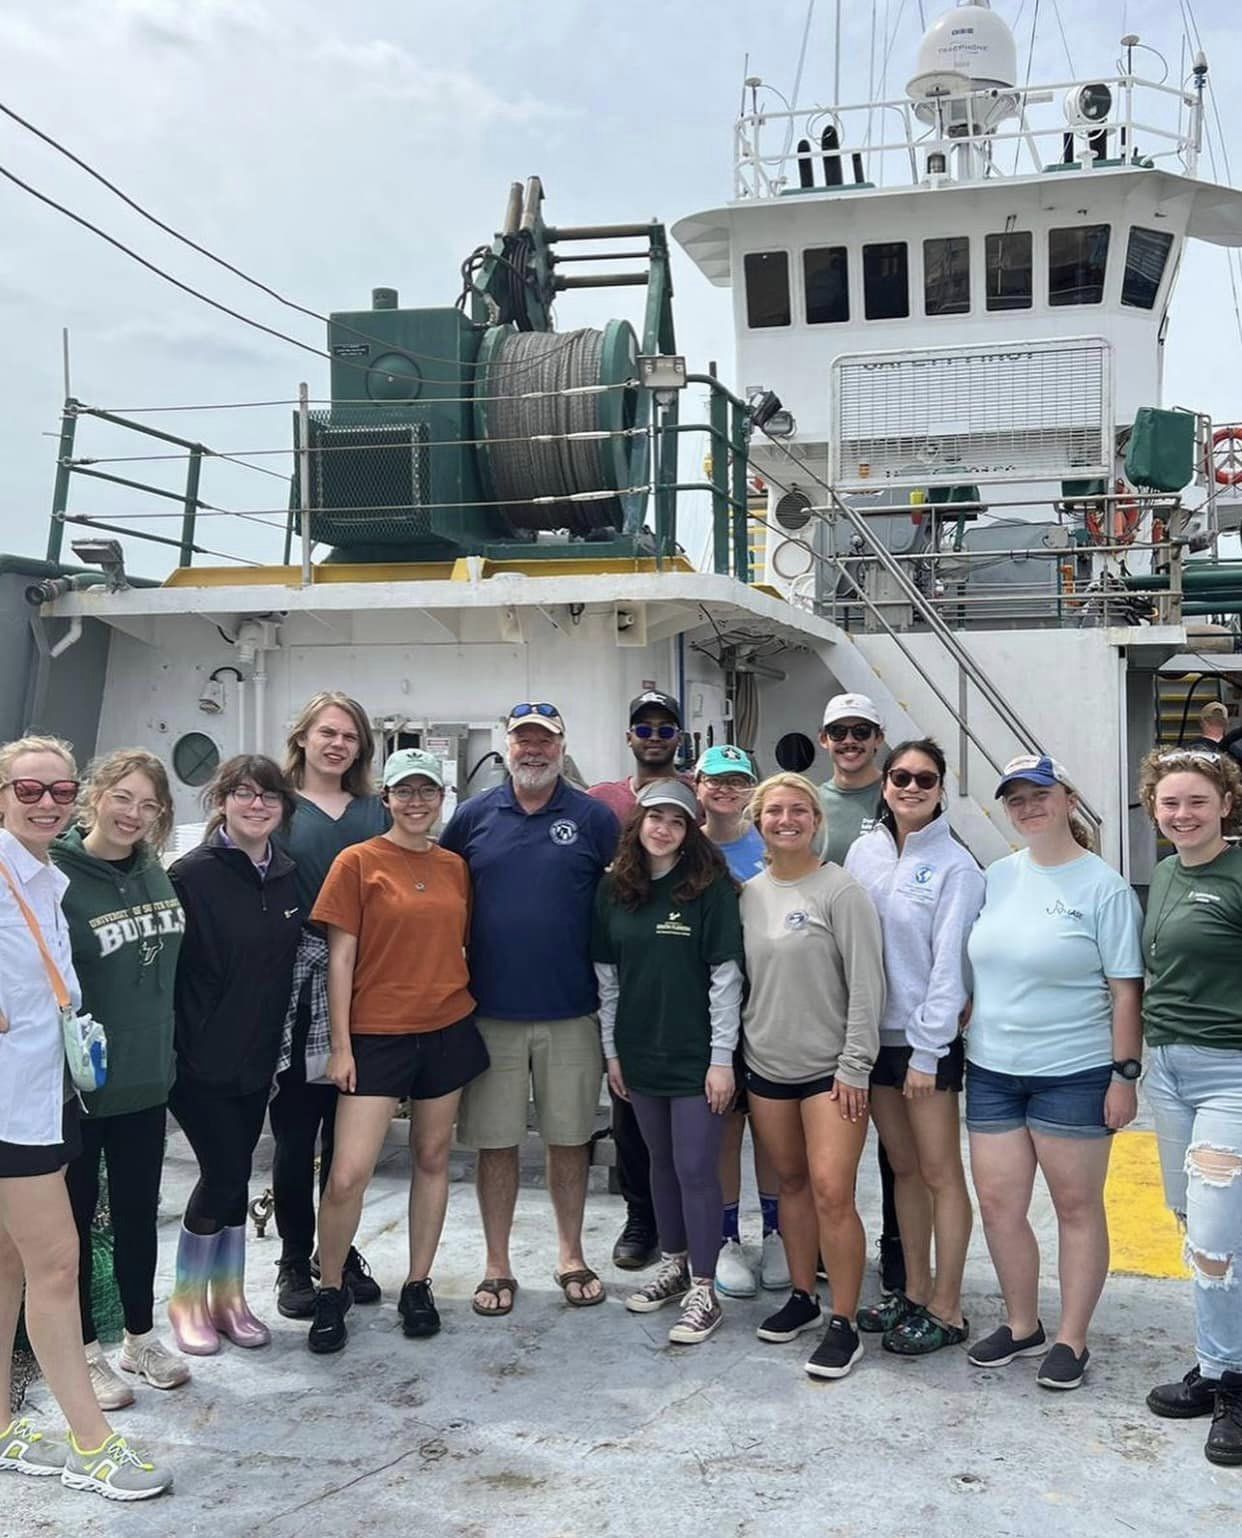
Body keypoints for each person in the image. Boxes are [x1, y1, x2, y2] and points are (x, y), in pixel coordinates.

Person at [0, 736, 170, 1500]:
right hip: (9, 1112)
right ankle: (92, 1442)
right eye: (27, 790)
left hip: (47, 1094)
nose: (46, 803)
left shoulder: (41, 878)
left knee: (9, 1266)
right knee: (57, 1267)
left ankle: (2, 1424)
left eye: (58, 792)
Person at [965, 753, 1143, 1391]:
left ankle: (1071, 1337)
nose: (1028, 807)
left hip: (1074, 1072)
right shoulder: (996, 876)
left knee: (1074, 1206)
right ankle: (1021, 1325)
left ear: (1068, 799)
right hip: (991, 1070)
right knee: (999, 1203)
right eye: (1015, 799)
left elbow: (1126, 991)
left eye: (1039, 794)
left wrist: (1125, 1076)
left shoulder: (1104, 887)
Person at [307, 749, 489, 1353]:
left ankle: (417, 1283)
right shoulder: (357, 862)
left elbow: (456, 946)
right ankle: (330, 1286)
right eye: (404, 791)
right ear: (385, 798)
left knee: (433, 1158)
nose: (416, 802)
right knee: (348, 1174)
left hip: (446, 1027)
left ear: (443, 800)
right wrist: (341, 1044)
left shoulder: (455, 867)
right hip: (376, 1035)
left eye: (427, 791)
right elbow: (340, 958)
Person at [441, 703, 619, 1316]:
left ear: (562, 747)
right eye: (523, 741)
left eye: (545, 741)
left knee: (569, 1141)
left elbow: (623, 900)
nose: (533, 751)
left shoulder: (594, 818)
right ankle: (497, 1264)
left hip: (573, 1011)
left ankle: (570, 1253)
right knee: (496, 1144)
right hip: (490, 1012)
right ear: (507, 748)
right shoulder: (470, 817)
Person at [54, 750, 190, 1410]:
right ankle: (84, 1353)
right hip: (79, 1089)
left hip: (145, 1080)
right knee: (76, 1224)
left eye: (149, 806)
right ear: (96, 795)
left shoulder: (154, 872)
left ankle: (139, 1338)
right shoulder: (56, 874)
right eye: (124, 798)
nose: (134, 814)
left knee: (139, 1215)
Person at [740, 772, 885, 1381]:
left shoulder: (840, 890)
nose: (787, 820)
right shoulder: (747, 893)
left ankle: (844, 1322)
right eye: (775, 811)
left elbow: (867, 985)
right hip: (766, 1066)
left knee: (832, 1192)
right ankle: (802, 1295)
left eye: (800, 809)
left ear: (817, 820)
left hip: (832, 1074)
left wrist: (855, 1065)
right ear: (759, 822)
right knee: (791, 1187)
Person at [844, 739, 983, 1355]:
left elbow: (951, 967)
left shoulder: (956, 866)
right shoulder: (862, 852)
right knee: (902, 1170)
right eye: (900, 776)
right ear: (885, 783)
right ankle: (916, 1291)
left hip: (925, 1043)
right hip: (873, 1037)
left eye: (924, 779)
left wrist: (928, 1053)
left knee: (939, 1173)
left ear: (940, 788)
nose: (911, 786)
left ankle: (949, 1309)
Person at [594, 779, 743, 1344]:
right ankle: (676, 1264)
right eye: (655, 818)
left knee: (695, 1167)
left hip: (696, 1057)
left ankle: (705, 1288)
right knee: (658, 1163)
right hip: (637, 1053)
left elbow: (726, 978)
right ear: (638, 824)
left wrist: (721, 1059)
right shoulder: (614, 891)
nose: (664, 829)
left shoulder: (708, 889)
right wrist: (612, 1053)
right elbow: (607, 981)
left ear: (690, 832)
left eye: (677, 822)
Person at [166, 755, 302, 1357]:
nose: (256, 805)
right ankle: (186, 1301)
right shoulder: (191, 875)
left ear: (283, 808)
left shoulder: (287, 876)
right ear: (221, 801)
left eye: (268, 796)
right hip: (199, 1062)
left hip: (258, 1062)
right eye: (243, 794)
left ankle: (229, 1298)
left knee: (239, 1175)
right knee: (223, 1175)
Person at [1137, 747, 1242, 1465]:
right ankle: (1216, 1364)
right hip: (1166, 1071)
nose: (1183, 814)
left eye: (1197, 801)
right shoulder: (1169, 873)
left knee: (1213, 1238)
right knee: (1197, 1224)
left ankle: (1231, 1383)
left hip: (1230, 1073)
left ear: (1226, 805)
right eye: (1171, 803)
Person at [270, 691, 388, 1321]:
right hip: (300, 991)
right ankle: (293, 1256)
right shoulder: (278, 809)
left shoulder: (376, 810)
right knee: (297, 1132)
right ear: (304, 738)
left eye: (350, 736)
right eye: (327, 733)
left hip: (370, 989)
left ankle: (335, 1254)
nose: (338, 744)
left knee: (350, 1141)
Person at [589, 689, 690, 1271]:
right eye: (643, 728)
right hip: (626, 975)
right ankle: (641, 1218)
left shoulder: (698, 796)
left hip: (686, 975)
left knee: (697, 1121)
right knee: (630, 1114)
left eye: (664, 728)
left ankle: (703, 1222)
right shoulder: (601, 802)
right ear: (629, 736)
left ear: (679, 736)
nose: (654, 736)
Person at [818, 691, 904, 1294]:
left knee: (901, 1151)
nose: (850, 742)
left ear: (878, 738)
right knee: (831, 1143)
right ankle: (829, 1245)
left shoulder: (900, 796)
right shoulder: (809, 803)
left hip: (895, 996)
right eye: (839, 732)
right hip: (824, 997)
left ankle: (898, 1252)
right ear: (825, 741)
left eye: (861, 732)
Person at [693, 745, 787, 1300]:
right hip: (704, 1014)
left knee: (772, 1134)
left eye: (738, 780)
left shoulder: (771, 847)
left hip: (770, 1008)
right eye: (716, 780)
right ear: (697, 785)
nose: (726, 790)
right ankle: (727, 1238)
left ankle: (777, 1232)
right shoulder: (685, 846)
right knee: (723, 1130)